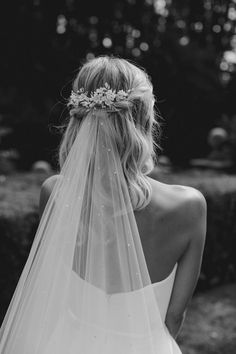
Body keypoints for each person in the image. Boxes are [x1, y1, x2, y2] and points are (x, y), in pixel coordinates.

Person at [0, 56, 207, 354]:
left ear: (77, 118)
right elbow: (174, 318)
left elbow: (51, 291)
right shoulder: (189, 206)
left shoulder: (55, 193)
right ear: (144, 119)